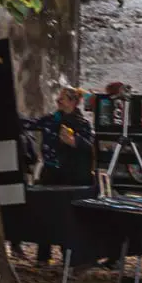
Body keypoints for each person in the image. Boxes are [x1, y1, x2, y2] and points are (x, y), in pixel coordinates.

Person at [23, 87, 94, 266]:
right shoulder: (51, 120)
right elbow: (30, 123)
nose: (58, 101)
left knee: (67, 217)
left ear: (72, 102)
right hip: (50, 172)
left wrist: (74, 142)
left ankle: (69, 257)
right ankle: (43, 256)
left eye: (62, 99)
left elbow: (90, 147)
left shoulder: (82, 124)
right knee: (45, 212)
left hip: (70, 176)